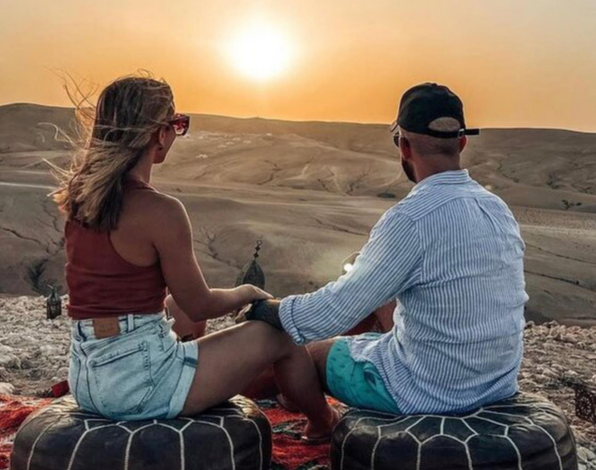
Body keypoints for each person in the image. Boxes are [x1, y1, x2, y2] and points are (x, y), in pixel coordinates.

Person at [53, 75, 338, 441]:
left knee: (175, 308)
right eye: (177, 125)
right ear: (159, 133)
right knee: (278, 337)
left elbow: (169, 304)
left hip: (88, 377)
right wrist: (247, 292)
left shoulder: (81, 201)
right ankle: (323, 422)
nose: (176, 133)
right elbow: (201, 303)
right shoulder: (160, 210)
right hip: (140, 385)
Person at [239, 83, 530, 415]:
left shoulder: (411, 218)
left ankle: (319, 420)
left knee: (314, 352)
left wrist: (265, 309)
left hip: (428, 391)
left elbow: (329, 313)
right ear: (461, 142)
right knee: (368, 280)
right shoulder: (496, 208)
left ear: (404, 146)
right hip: (494, 383)